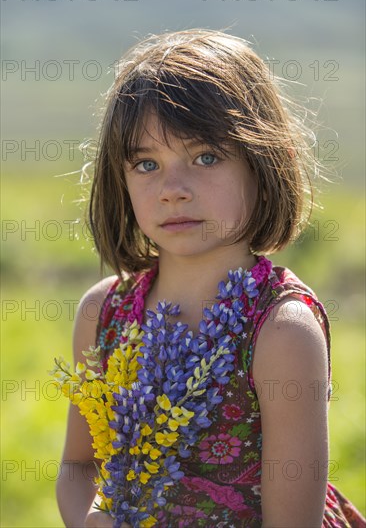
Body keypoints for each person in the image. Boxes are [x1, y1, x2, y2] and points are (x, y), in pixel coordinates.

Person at [56, 29, 365, 527]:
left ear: (266, 163)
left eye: (206, 157)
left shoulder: (281, 330)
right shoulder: (104, 312)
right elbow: (78, 465)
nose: (173, 189)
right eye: (146, 163)